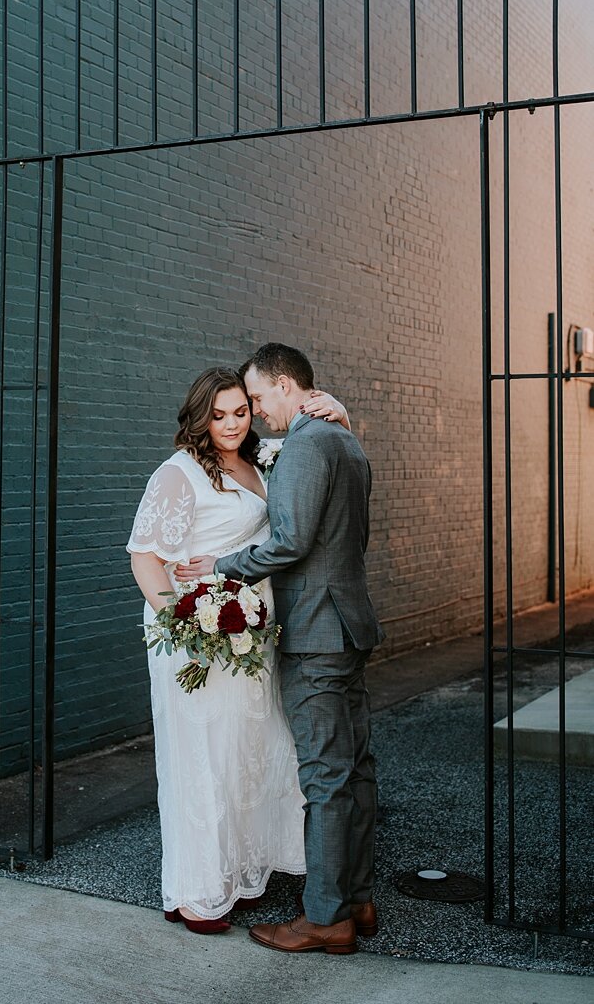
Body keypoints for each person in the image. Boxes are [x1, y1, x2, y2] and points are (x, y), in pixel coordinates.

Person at [174, 343, 384, 956]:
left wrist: (221, 566)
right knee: (354, 767)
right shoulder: (347, 441)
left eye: (260, 398)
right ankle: (357, 898)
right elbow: (355, 537)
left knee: (323, 775)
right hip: (349, 626)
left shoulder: (302, 447)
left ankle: (324, 917)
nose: (258, 413)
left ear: (288, 387)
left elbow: (288, 543)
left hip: (316, 632)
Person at [127, 366, 350, 934]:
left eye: (240, 411)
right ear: (200, 416)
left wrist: (341, 414)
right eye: (218, 414)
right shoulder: (177, 475)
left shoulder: (264, 461)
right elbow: (145, 559)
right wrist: (184, 626)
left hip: (249, 643)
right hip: (197, 645)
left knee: (247, 759)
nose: (230, 423)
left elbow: (319, 447)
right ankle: (198, 892)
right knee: (201, 762)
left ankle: (242, 877)